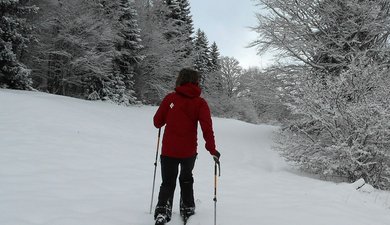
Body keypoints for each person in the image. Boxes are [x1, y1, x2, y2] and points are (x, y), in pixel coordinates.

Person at [153, 68, 220, 224]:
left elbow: (157, 122)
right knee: (186, 179)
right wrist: (212, 149)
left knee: (168, 181)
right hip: (188, 152)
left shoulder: (170, 98)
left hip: (169, 150)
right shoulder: (200, 103)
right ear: (196, 82)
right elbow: (207, 128)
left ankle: (163, 209)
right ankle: (188, 207)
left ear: (180, 79)